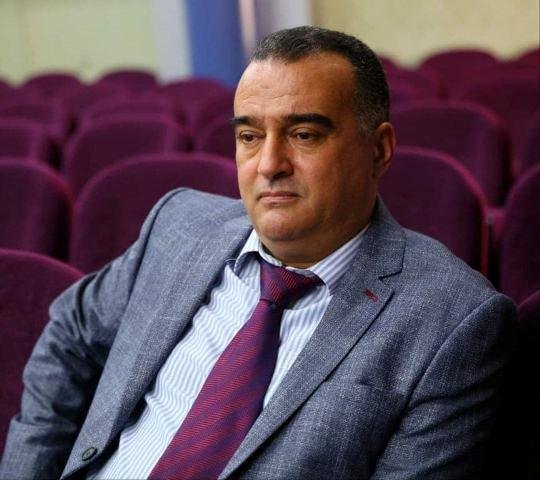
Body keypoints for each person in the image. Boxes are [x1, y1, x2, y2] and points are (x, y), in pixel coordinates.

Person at [0, 26, 515, 480]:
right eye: (249, 135)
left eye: (304, 134)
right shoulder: (178, 225)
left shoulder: (453, 321)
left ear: (378, 150)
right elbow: (70, 332)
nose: (269, 164)